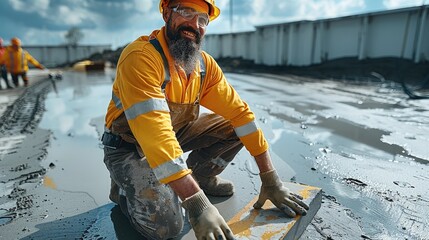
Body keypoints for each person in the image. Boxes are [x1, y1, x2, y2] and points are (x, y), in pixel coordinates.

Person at [101, 0, 309, 239]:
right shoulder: (141, 58)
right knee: (167, 228)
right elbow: (155, 136)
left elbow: (241, 115)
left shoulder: (203, 66)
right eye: (187, 12)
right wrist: (197, 203)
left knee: (234, 126)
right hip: (129, 147)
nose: (194, 24)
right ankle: (124, 192)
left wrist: (270, 178)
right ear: (167, 12)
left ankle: (200, 177)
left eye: (202, 19)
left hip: (173, 136)